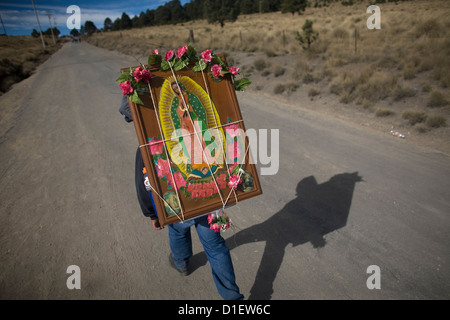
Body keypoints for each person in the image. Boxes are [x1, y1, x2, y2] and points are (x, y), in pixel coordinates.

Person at [119, 95, 244, 300]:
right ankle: (233, 299)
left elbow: (145, 185)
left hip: (178, 202)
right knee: (215, 246)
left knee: (177, 229)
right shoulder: (207, 137)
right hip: (209, 199)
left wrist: (152, 214)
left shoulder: (152, 147)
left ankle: (182, 263)